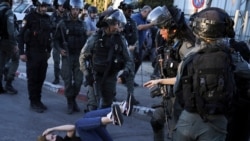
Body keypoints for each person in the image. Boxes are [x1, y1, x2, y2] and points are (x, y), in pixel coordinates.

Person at [172, 7, 235, 141]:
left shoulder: (189, 55)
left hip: (188, 120)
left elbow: (177, 88)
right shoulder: (231, 56)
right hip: (216, 123)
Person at [144, 5, 196, 141]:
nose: (161, 33)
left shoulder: (186, 47)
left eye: (163, 29)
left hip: (181, 99)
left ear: (173, 29)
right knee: (156, 120)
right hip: (169, 96)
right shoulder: (171, 43)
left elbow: (186, 76)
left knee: (175, 134)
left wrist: (160, 82)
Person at [79, 9, 134, 111]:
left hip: (111, 77)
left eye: (118, 24)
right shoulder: (95, 38)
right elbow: (82, 57)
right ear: (107, 25)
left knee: (107, 107)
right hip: (95, 76)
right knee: (93, 106)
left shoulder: (120, 40)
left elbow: (129, 60)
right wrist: (87, 75)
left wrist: (125, 73)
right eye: (114, 24)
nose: (117, 27)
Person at [18, 0, 53, 113]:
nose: (44, 9)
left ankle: (38, 100)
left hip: (43, 53)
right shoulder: (29, 17)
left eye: (45, 7)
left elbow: (49, 36)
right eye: (42, 6)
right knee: (33, 78)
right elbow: (21, 35)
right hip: (32, 52)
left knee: (41, 78)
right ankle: (33, 101)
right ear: (38, 6)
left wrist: (49, 51)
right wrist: (21, 52)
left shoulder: (47, 18)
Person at [53, 0, 87, 114]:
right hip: (67, 56)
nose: (75, 11)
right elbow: (55, 40)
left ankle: (73, 100)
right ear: (70, 10)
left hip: (79, 56)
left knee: (78, 81)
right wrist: (60, 50)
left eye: (77, 9)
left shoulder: (82, 24)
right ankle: (70, 102)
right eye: (73, 9)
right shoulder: (63, 23)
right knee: (67, 81)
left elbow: (86, 41)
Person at [38, 104, 125, 141]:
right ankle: (112, 118)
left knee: (87, 117)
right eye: (53, 138)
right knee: (79, 125)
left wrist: (52, 128)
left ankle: (122, 109)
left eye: (53, 135)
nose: (55, 136)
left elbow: (72, 128)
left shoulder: (66, 140)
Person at [117, 0, 139, 105]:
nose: (130, 12)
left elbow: (135, 36)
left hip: (129, 50)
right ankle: (110, 94)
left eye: (131, 10)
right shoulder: (117, 21)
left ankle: (131, 96)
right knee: (112, 72)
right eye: (128, 10)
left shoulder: (132, 22)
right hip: (117, 51)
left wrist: (135, 47)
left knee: (130, 73)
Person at [131, 5, 154, 86]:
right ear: (144, 12)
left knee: (138, 62)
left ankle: (130, 78)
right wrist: (152, 24)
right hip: (133, 46)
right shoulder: (136, 17)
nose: (149, 15)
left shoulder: (144, 19)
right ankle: (128, 79)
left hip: (140, 45)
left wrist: (144, 44)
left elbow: (143, 33)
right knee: (132, 63)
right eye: (149, 13)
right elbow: (140, 28)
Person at [0, 0, 18, 94]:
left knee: (1, 63)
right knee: (16, 59)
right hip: (7, 40)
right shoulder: (8, 11)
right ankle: (9, 83)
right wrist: (14, 43)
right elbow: (11, 30)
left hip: (1, 40)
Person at [50, 0, 68, 84]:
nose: (62, 8)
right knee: (56, 61)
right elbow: (50, 26)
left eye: (63, 6)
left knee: (66, 61)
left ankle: (64, 75)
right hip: (56, 42)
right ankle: (56, 77)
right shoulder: (53, 16)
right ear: (57, 7)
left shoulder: (66, 16)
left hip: (64, 41)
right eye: (60, 6)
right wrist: (57, 25)